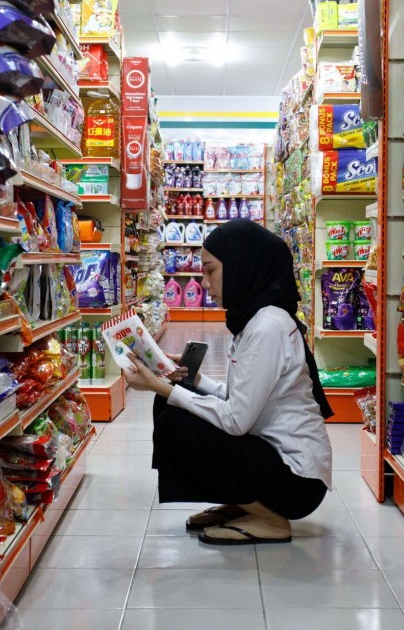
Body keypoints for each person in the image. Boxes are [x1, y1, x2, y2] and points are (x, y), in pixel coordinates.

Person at [122, 219, 334, 545]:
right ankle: (244, 503)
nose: (204, 282)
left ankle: (270, 518)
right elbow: (240, 399)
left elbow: (236, 420)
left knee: (177, 424)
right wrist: (193, 380)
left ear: (240, 266)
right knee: (171, 401)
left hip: (296, 481)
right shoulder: (254, 318)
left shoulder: (268, 327)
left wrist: (160, 385)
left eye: (210, 270)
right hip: (272, 458)